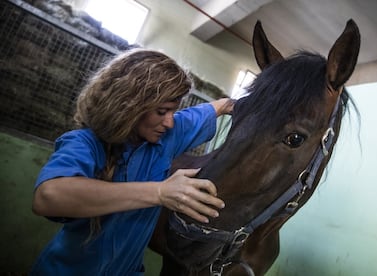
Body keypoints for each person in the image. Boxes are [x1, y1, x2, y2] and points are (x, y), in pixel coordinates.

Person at [30, 49, 234, 275]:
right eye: (161, 111)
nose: (169, 122)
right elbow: (48, 196)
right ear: (130, 105)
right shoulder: (85, 143)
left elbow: (219, 106)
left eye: (173, 112)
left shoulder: (167, 136)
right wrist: (159, 192)